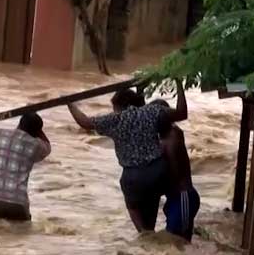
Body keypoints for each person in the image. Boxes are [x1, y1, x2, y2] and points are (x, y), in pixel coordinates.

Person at [67, 79, 187, 233]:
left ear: (119, 106)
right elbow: (182, 113)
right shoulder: (152, 111)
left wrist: (70, 104)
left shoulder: (115, 119)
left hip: (133, 176)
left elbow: (85, 122)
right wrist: (179, 84)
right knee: (150, 211)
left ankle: (143, 233)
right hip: (158, 172)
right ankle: (150, 238)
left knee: (133, 205)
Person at [0, 112, 51, 221]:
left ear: (20, 123)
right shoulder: (36, 145)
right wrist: (37, 128)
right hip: (18, 203)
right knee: (21, 234)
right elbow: (47, 146)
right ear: (37, 132)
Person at [151, 99, 201, 242]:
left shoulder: (174, 135)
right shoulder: (165, 136)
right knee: (177, 244)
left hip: (183, 197)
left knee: (177, 241)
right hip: (175, 199)